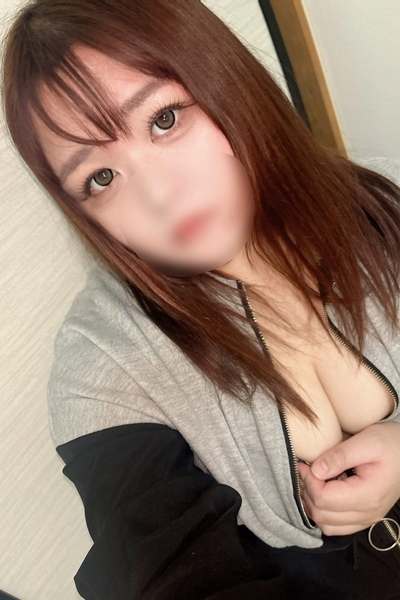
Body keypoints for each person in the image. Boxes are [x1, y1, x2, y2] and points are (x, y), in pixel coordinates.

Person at [3, 0, 400, 598]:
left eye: (164, 119)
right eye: (101, 178)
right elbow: (168, 568)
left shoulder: (383, 201)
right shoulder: (106, 366)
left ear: (225, 82)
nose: (160, 197)